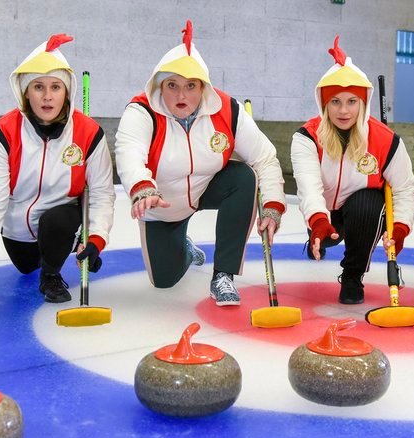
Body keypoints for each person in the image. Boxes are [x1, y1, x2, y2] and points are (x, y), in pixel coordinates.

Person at [114, 20, 286, 306]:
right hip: (163, 204)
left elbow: (264, 157)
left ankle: (223, 275)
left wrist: (273, 204)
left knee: (244, 177)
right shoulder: (141, 111)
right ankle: (185, 248)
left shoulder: (227, 110)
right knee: (164, 281)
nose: (181, 96)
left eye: (191, 86)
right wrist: (142, 187)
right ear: (160, 85)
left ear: (203, 87)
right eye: (172, 86)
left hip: (208, 187)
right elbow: (129, 151)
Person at [0, 34, 116, 315]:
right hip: (17, 233)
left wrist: (97, 238)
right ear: (25, 91)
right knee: (27, 265)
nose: (47, 95)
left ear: (67, 91)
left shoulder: (89, 133)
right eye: (38, 87)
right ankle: (45, 259)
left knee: (59, 216)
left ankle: (51, 274)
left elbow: (101, 192)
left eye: (56, 87)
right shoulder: (3, 133)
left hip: (59, 222)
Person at [290, 36, 414, 305]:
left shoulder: (386, 140)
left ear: (363, 103)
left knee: (371, 200)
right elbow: (309, 186)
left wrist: (401, 228)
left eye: (351, 101)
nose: (344, 110)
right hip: (325, 216)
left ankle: (352, 275)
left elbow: (405, 187)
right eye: (335, 101)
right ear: (324, 104)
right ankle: (320, 237)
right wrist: (317, 220)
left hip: (360, 214)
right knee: (326, 240)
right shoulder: (307, 137)